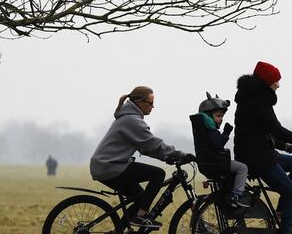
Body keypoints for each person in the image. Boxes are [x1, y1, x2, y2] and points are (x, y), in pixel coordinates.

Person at [90, 86, 194, 231]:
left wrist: (166, 158)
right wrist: (181, 154)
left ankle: (118, 231)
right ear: (139, 102)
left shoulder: (129, 118)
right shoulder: (132, 120)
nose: (153, 107)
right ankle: (140, 217)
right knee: (158, 174)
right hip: (110, 166)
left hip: (105, 166)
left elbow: (145, 147)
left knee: (140, 197)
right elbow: (154, 143)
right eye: (150, 103)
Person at [234, 61, 292, 234]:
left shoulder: (251, 97)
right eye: (276, 81)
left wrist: (284, 146)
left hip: (258, 153)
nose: (278, 85)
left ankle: (281, 211)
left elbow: (260, 131)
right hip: (258, 158)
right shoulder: (260, 101)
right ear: (266, 81)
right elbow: (276, 129)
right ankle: (286, 230)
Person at [195, 93, 252, 207]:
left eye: (222, 116)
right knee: (242, 168)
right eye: (218, 116)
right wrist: (226, 132)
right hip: (217, 163)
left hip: (210, 163)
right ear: (207, 116)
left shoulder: (203, 130)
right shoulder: (211, 131)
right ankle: (237, 195)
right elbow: (218, 144)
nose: (221, 119)